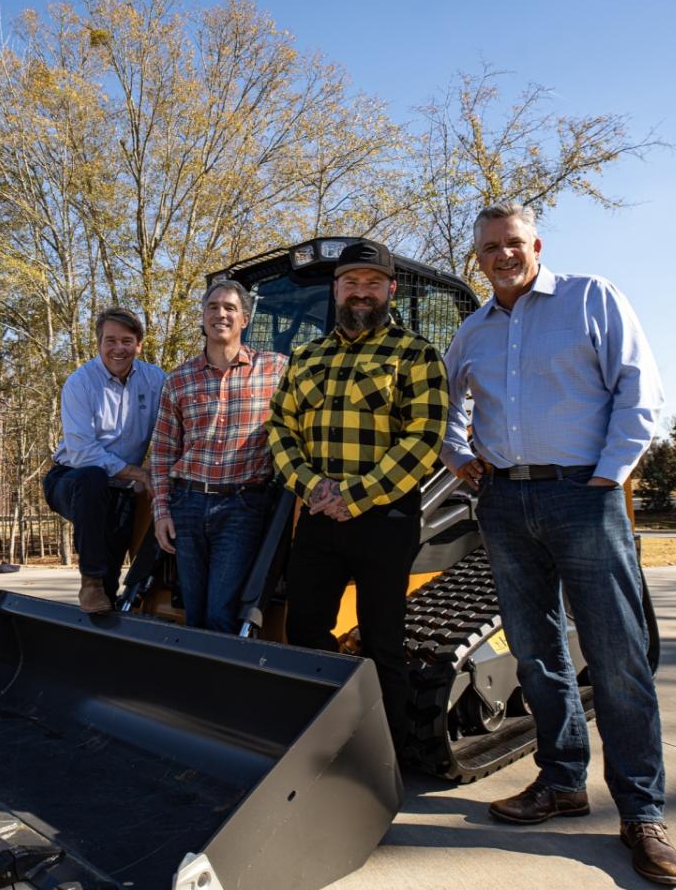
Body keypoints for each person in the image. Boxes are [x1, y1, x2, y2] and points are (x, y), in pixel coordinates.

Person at [442, 202, 676, 886]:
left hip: (584, 494)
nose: (502, 255)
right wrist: (458, 452)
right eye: (490, 247)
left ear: (536, 245)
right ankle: (562, 781)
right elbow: (447, 406)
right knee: (536, 652)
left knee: (616, 657)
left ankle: (642, 811)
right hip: (504, 503)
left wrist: (609, 472)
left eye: (512, 243)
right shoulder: (473, 331)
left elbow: (640, 386)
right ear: (479, 257)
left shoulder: (590, 298)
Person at [265, 239, 449, 748]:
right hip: (319, 518)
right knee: (305, 634)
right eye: (351, 283)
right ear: (336, 289)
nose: (361, 293)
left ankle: (382, 756)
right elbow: (280, 428)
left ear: (390, 289)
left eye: (372, 283)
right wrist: (311, 485)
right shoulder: (306, 357)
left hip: (385, 519)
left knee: (382, 640)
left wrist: (357, 495)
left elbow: (424, 437)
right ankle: (318, 743)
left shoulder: (415, 354)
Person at [148, 280, 287, 633]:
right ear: (203, 316)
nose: (220, 314)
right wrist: (162, 509)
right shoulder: (178, 380)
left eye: (229, 308)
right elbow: (163, 453)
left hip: (242, 506)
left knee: (221, 611)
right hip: (188, 505)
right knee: (192, 610)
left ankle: (222, 685)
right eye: (212, 307)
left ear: (244, 319)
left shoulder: (276, 370)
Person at [45, 306, 165, 614]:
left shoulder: (156, 381)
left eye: (126, 341)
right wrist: (138, 474)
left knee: (108, 592)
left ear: (139, 344)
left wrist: (155, 469)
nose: (118, 348)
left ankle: (105, 605)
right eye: (110, 340)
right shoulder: (80, 382)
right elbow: (83, 452)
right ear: (99, 344)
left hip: (119, 489)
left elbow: (174, 425)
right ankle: (90, 583)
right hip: (72, 480)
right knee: (93, 478)